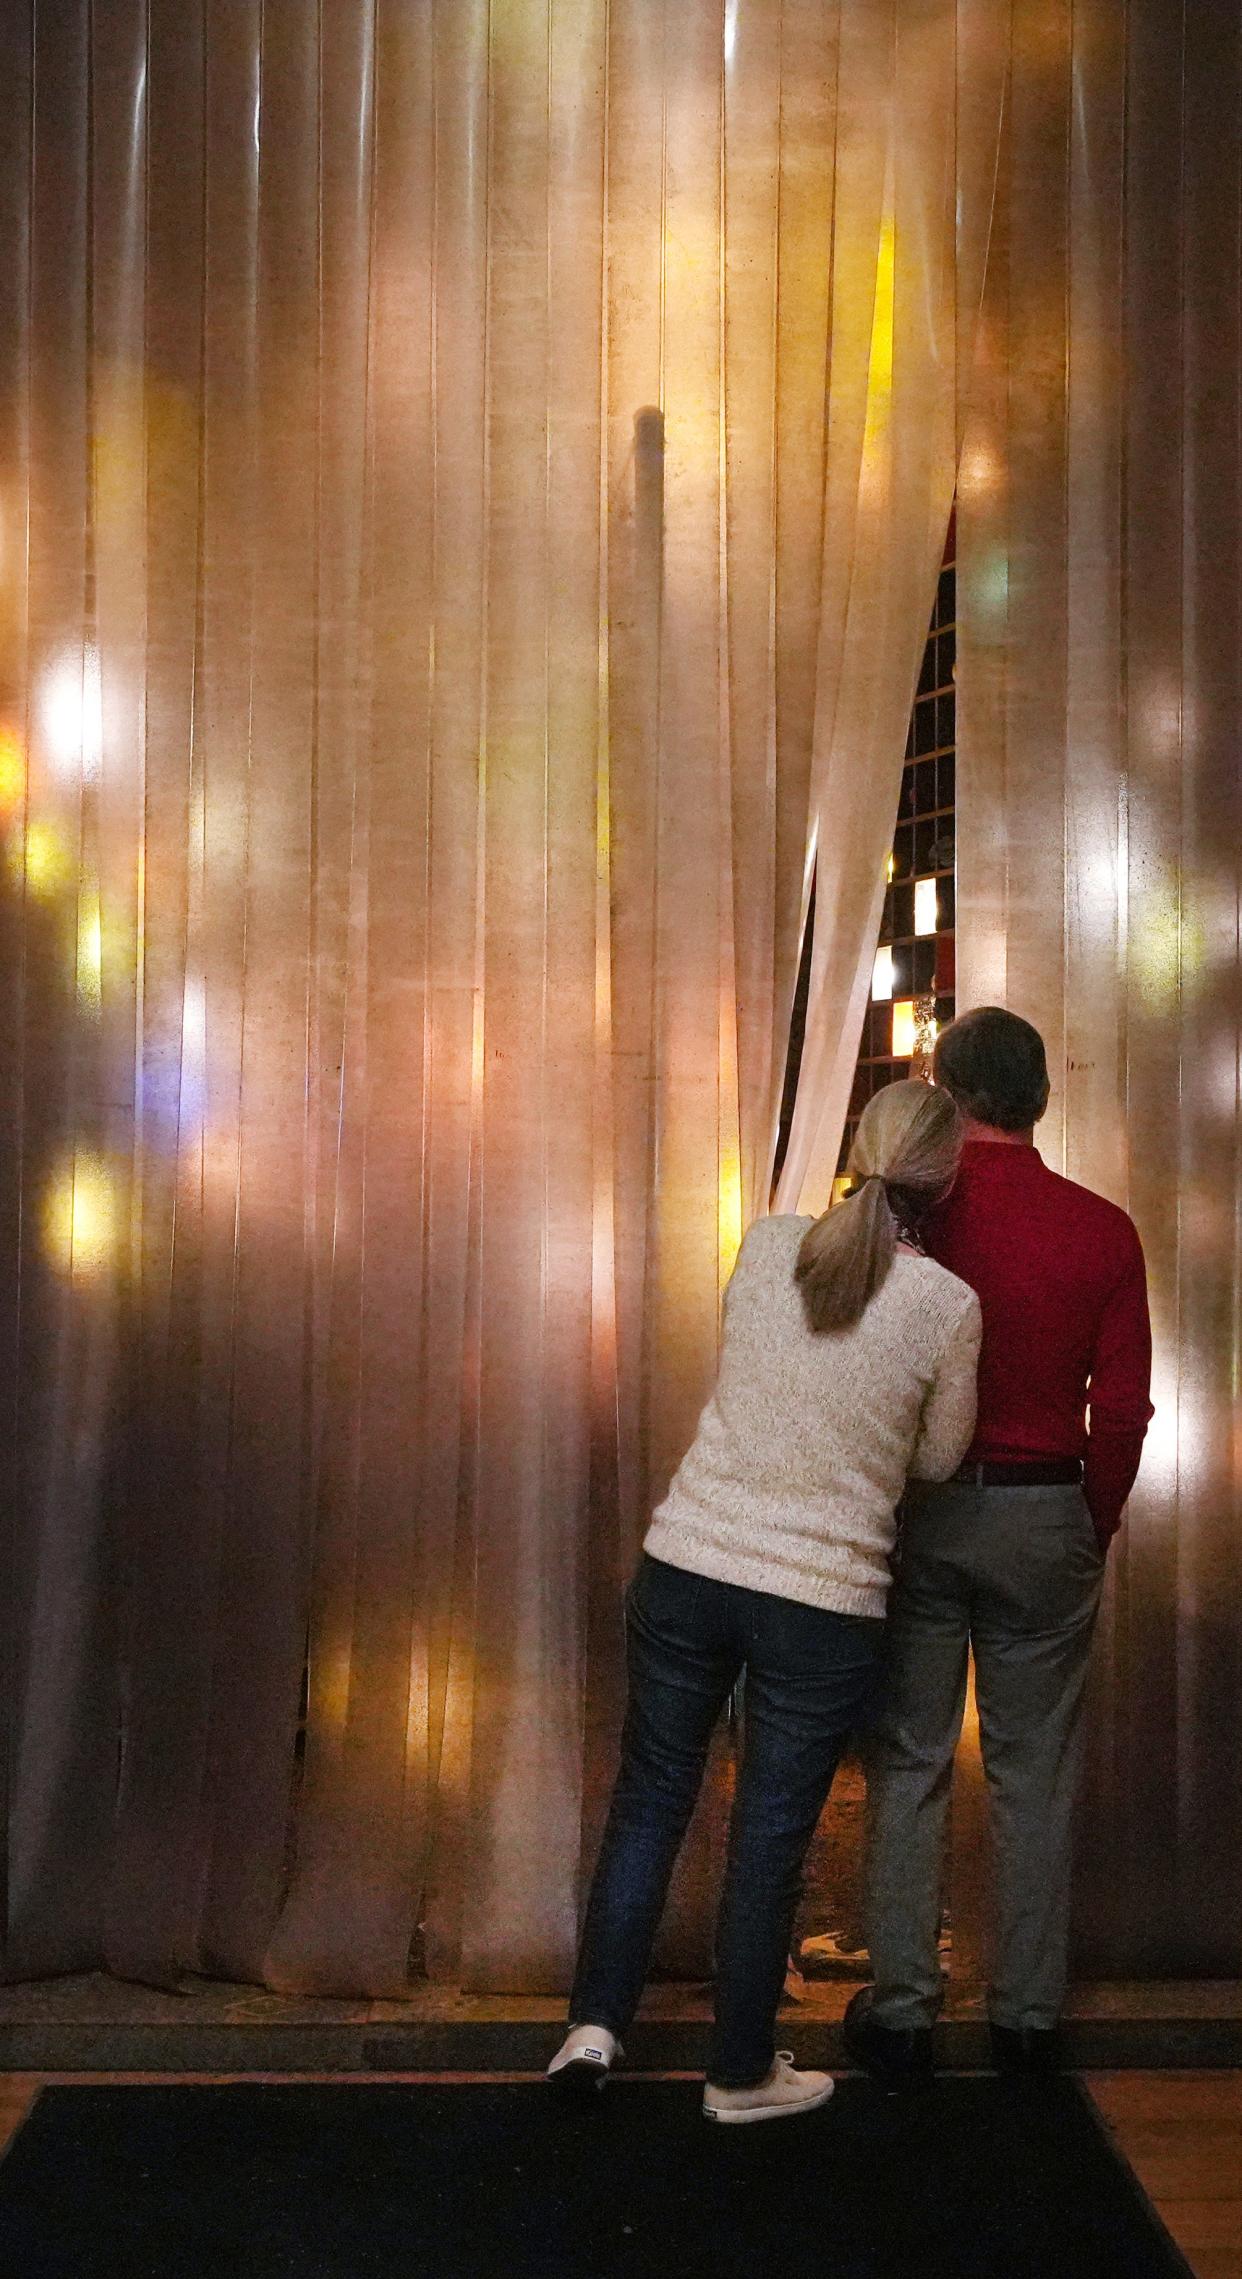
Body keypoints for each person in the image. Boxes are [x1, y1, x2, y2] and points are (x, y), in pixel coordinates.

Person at [547, 1080, 982, 2124]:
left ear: (856, 1147)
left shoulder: (766, 1243)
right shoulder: (950, 1305)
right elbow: (939, 1454)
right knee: (770, 1833)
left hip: (690, 1561)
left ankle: (593, 2027)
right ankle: (740, 2072)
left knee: (650, 1797)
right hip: (821, 1599)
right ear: (946, 1181)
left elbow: (754, 1369)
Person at [846, 1007, 1153, 2085]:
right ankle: (1025, 2017)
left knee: (911, 1759)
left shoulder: (908, 1213)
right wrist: (1090, 1518)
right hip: (1043, 1511)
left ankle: (902, 2010)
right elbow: (1121, 1412)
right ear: (1039, 1099)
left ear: (946, 1087)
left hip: (924, 1508)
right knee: (1034, 1773)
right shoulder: (1102, 1228)